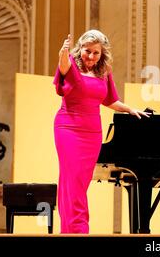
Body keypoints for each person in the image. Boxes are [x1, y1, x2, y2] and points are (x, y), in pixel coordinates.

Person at [53, 29, 149, 234]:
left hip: (92, 133)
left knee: (78, 181)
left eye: (96, 53)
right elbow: (63, 69)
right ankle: (79, 229)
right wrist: (63, 52)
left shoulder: (104, 72)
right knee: (74, 179)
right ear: (81, 49)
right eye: (88, 51)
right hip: (68, 128)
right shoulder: (71, 64)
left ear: (101, 53)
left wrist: (130, 109)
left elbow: (111, 100)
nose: (91, 56)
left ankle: (68, 229)